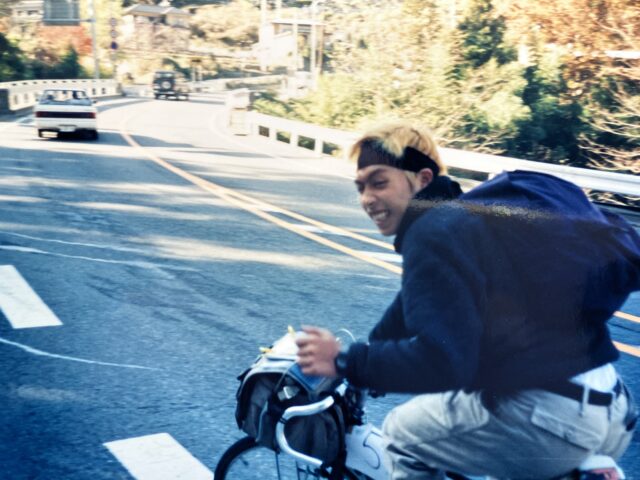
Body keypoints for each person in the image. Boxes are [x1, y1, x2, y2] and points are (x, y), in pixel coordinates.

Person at [295, 120, 639, 479]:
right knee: (467, 426)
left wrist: (346, 361)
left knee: (402, 434)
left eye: (379, 182)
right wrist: (370, 355)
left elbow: (443, 362)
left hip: (552, 421)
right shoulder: (466, 218)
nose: (367, 198)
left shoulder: (432, 233)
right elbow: (411, 307)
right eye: (361, 187)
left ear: (422, 179)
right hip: (612, 410)